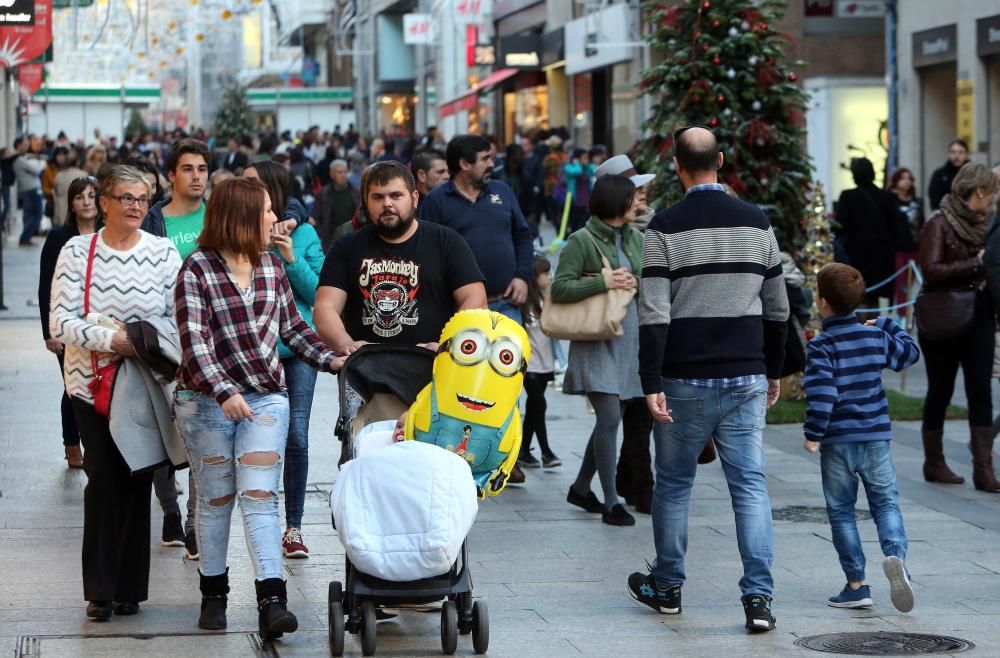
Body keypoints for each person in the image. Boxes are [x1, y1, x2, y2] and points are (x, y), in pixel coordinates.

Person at [629, 126, 788, 632]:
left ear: (677, 165)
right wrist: (774, 368)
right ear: (720, 160)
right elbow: (778, 307)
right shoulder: (757, 221)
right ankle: (759, 600)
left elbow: (654, 312)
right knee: (750, 487)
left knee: (674, 486)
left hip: (683, 378)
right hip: (745, 375)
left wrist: (649, 379)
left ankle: (668, 586)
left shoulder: (665, 228)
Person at [173, 176, 343, 635]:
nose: (275, 217)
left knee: (260, 496)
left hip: (266, 395)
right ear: (242, 215)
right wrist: (223, 391)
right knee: (216, 497)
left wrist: (334, 360)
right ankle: (214, 594)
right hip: (206, 401)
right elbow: (194, 342)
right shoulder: (198, 269)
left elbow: (293, 328)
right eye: (267, 209)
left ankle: (272, 600)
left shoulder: (271, 265)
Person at [49, 165, 182, 621]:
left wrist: (140, 341)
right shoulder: (76, 250)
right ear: (103, 202)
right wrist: (113, 341)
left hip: (143, 384)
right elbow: (60, 321)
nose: (135, 207)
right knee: (102, 478)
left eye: (142, 199)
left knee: (136, 479)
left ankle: (129, 590)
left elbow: (177, 315)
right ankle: (100, 589)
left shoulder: (163, 252)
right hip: (89, 384)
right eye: (125, 198)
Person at [802, 263, 919, 613]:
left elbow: (823, 394)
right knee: (886, 504)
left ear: (822, 302)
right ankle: (896, 557)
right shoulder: (875, 337)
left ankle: (856, 584)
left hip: (838, 440)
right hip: (875, 438)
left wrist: (813, 433)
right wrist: (884, 323)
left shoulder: (821, 346)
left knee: (841, 513)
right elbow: (909, 352)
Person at [313, 161, 486, 355]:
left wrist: (449, 344)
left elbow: (475, 298)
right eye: (378, 197)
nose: (387, 203)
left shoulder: (445, 241)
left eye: (396, 195)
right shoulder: (346, 246)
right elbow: (325, 307)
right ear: (365, 202)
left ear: (414, 199)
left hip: (435, 367)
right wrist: (346, 345)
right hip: (365, 371)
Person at [242, 161, 326, 559]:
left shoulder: (305, 233)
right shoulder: (244, 234)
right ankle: (264, 519)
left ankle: (293, 526)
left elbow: (320, 292)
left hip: (299, 350)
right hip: (256, 352)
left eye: (253, 184)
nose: (245, 188)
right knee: (260, 437)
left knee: (295, 434)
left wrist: (291, 259)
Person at [552, 175, 643, 526]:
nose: (638, 204)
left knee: (611, 419)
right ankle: (610, 503)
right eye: (633, 199)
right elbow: (560, 288)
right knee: (608, 418)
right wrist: (602, 281)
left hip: (628, 337)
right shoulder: (582, 240)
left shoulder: (636, 237)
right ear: (617, 202)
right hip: (595, 338)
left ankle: (580, 487)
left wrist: (636, 282)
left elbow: (645, 279)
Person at [918, 163, 998, 491]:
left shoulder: (986, 225)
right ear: (978, 192)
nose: (993, 201)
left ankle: (984, 468)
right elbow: (931, 270)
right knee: (941, 389)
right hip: (944, 319)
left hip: (979, 315)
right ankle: (934, 462)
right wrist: (975, 263)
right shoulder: (939, 224)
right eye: (991, 193)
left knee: (981, 390)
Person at [595, 154, 659, 512]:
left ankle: (634, 478)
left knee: (637, 409)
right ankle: (627, 482)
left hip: (644, 326)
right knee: (618, 412)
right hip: (612, 331)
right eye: (636, 189)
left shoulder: (647, 226)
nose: (643, 193)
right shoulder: (603, 233)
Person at [418, 134, 533, 325]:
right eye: (485, 159)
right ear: (464, 164)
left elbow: (523, 237)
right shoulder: (436, 201)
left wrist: (522, 276)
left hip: (506, 305)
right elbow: (426, 253)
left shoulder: (502, 191)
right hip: (459, 311)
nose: (491, 164)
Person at [39, 176, 101, 468]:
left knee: (98, 384)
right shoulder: (58, 238)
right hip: (67, 325)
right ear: (72, 204)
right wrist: (48, 332)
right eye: (80, 197)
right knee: (72, 386)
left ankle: (97, 444)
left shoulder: (108, 235)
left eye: (91, 196)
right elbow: (45, 286)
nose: (86, 202)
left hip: (101, 325)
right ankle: (71, 442)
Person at [834, 157, 899, 313]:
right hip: (882, 256)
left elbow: (839, 226)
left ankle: (860, 332)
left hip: (856, 254)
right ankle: (873, 332)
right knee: (875, 299)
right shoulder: (888, 197)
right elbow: (895, 227)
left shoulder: (847, 197)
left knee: (857, 297)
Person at [517, 256, 561, 469]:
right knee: (539, 403)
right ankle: (546, 452)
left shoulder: (547, 297)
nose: (549, 277)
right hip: (530, 363)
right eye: (546, 273)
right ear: (536, 276)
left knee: (534, 406)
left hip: (546, 363)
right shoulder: (524, 301)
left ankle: (524, 450)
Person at [141, 138, 210, 260]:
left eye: (202, 169)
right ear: (171, 175)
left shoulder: (221, 215)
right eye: (188, 169)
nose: (196, 176)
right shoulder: (149, 221)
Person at [887, 167, 924, 306]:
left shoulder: (917, 202)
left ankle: (911, 312)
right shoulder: (891, 201)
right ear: (896, 181)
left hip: (916, 248)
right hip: (899, 250)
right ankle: (901, 315)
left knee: (915, 282)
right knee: (902, 283)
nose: (906, 181)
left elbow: (922, 222)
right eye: (903, 178)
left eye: (909, 178)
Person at [313, 159, 359, 251]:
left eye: (345, 172)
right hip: (331, 239)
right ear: (332, 174)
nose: (343, 175)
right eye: (339, 172)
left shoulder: (355, 193)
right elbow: (317, 217)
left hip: (352, 238)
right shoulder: (323, 194)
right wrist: (322, 234)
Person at [13, 137, 47, 246]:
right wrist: (41, 164)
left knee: (31, 215)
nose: (27, 146)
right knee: (37, 214)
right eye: (24, 144)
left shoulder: (22, 159)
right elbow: (37, 170)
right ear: (18, 145)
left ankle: (26, 237)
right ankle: (25, 237)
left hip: (30, 190)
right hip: (32, 190)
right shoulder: (20, 160)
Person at [928, 139, 970, 211]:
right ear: (949, 154)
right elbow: (935, 200)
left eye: (960, 152)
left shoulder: (973, 174)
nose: (956, 156)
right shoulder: (939, 175)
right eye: (953, 152)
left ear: (966, 154)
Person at [52, 151, 89, 228]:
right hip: (77, 214)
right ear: (77, 162)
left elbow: (55, 191)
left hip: (61, 213)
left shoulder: (59, 175)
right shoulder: (83, 175)